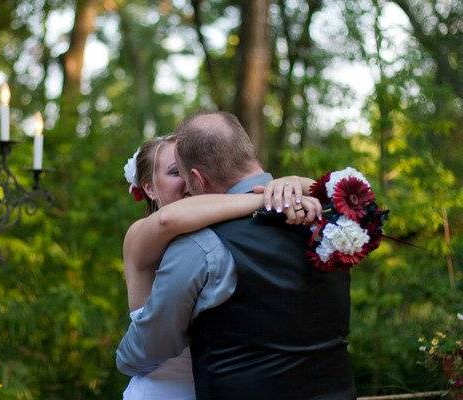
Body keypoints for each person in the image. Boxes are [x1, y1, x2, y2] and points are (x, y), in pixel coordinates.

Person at [117, 112, 356, 400]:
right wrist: (268, 196)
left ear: (197, 178)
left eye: (184, 172)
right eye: (173, 172)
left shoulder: (204, 243)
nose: (183, 183)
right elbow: (168, 220)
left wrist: (294, 184)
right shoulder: (333, 226)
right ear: (148, 187)